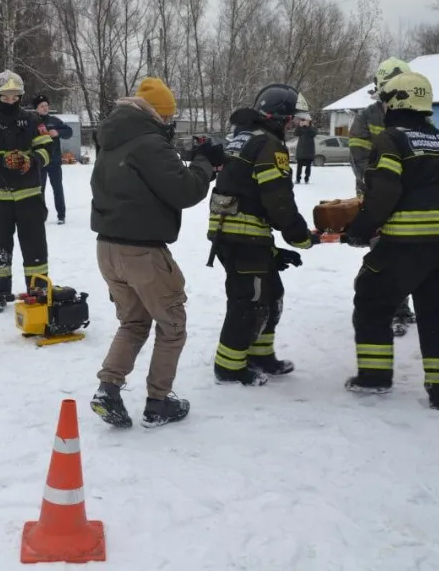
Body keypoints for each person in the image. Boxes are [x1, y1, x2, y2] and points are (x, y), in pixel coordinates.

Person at [88, 77, 217, 429]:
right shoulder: (150, 144)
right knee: (172, 325)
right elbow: (185, 191)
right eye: (169, 119)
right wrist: (206, 166)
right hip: (142, 253)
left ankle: (108, 389)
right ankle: (159, 401)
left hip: (107, 248)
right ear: (159, 116)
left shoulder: (113, 141)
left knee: (133, 323)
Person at [342, 71, 439, 411]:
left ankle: (374, 378)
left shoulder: (391, 139)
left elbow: (385, 191)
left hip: (409, 242)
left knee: (372, 299)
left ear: (395, 103)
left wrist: (361, 228)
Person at [206, 84, 320, 387]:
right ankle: (229, 367)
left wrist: (272, 247)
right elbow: (277, 199)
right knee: (249, 301)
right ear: (279, 117)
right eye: (292, 119)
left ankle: (260, 355)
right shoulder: (269, 145)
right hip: (243, 236)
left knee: (270, 293)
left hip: (239, 234)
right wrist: (299, 236)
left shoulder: (244, 138)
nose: (294, 125)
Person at [0, 71, 54, 312]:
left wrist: (32, 161)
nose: (10, 101)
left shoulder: (33, 121)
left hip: (30, 197)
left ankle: (37, 292)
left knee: (35, 247)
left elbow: (48, 149)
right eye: (5, 96)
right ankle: (0, 293)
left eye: (15, 96)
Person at [349, 56, 416, 337]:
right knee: (383, 250)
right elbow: (360, 159)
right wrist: (381, 188)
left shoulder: (414, 118)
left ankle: (403, 304)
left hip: (408, 197)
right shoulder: (366, 118)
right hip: (377, 197)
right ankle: (393, 309)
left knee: (408, 252)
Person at [30, 94, 73, 224]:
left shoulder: (54, 121)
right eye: (42, 106)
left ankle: (61, 215)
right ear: (36, 108)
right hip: (39, 162)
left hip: (54, 162)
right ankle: (41, 215)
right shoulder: (32, 121)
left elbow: (69, 132)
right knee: (39, 190)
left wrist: (58, 132)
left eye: (46, 105)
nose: (45, 108)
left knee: (58, 188)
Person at [293, 113, 317, 183]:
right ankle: (298, 179)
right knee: (299, 167)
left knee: (308, 167)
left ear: (309, 121)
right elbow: (295, 134)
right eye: (304, 120)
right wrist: (299, 126)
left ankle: (306, 179)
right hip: (300, 151)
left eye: (306, 121)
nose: (304, 122)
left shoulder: (312, 128)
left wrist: (309, 126)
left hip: (309, 151)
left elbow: (314, 134)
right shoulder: (300, 128)